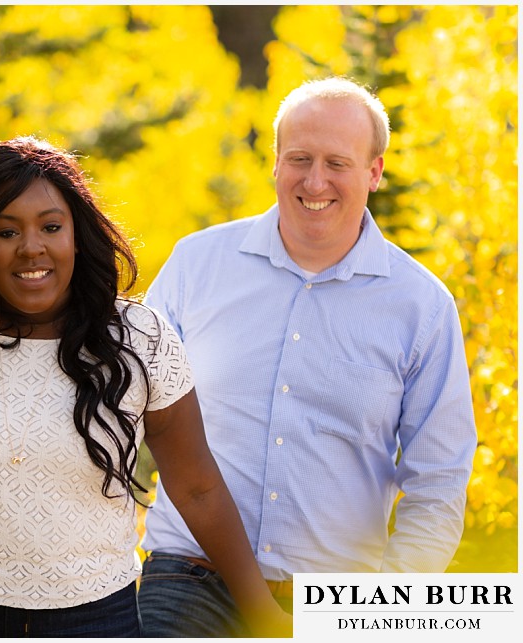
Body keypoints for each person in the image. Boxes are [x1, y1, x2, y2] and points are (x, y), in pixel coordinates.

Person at [0, 136, 291, 637]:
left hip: (95, 616)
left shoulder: (139, 342)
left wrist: (261, 613)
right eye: (6, 231)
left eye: (51, 227)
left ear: (76, 236)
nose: (31, 247)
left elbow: (198, 488)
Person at [138, 76, 477, 636]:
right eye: (299, 158)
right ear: (275, 162)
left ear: (374, 171)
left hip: (337, 600)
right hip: (189, 579)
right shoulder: (196, 265)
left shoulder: (422, 307)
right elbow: (121, 407)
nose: (314, 181)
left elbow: (437, 484)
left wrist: (384, 611)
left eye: (337, 163)